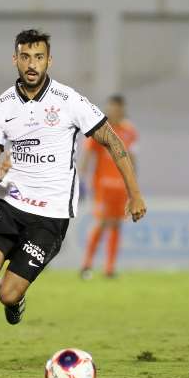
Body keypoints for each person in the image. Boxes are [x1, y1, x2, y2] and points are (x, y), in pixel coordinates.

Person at [0, 29, 146, 375]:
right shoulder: (1, 106)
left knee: (8, 294)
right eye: (25, 57)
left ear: (49, 60)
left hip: (51, 211)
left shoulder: (69, 100)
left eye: (38, 57)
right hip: (9, 200)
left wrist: (134, 193)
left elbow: (113, 142)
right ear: (15, 59)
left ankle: (17, 299)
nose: (32, 64)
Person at [79, 95, 139, 279]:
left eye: (118, 108)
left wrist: (133, 186)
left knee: (116, 224)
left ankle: (109, 269)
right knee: (102, 222)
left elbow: (133, 159)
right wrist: (80, 179)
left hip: (121, 187)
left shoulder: (130, 131)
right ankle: (86, 265)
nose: (115, 111)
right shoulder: (100, 128)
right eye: (112, 107)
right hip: (103, 185)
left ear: (122, 109)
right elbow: (88, 155)